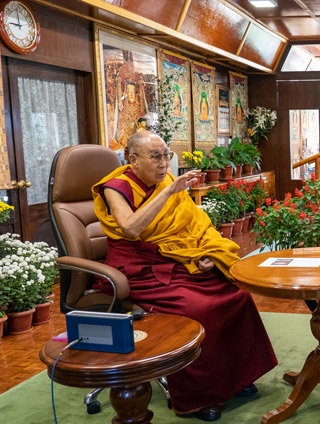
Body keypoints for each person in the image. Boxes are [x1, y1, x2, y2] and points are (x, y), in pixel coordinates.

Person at [92, 131, 277, 421]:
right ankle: (195, 399)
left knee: (237, 295)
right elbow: (131, 228)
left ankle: (237, 379)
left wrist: (203, 252)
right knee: (200, 309)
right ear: (132, 159)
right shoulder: (116, 187)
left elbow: (191, 225)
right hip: (141, 271)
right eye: (155, 157)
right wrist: (168, 191)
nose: (164, 163)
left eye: (167, 155)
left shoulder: (165, 181)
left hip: (176, 260)